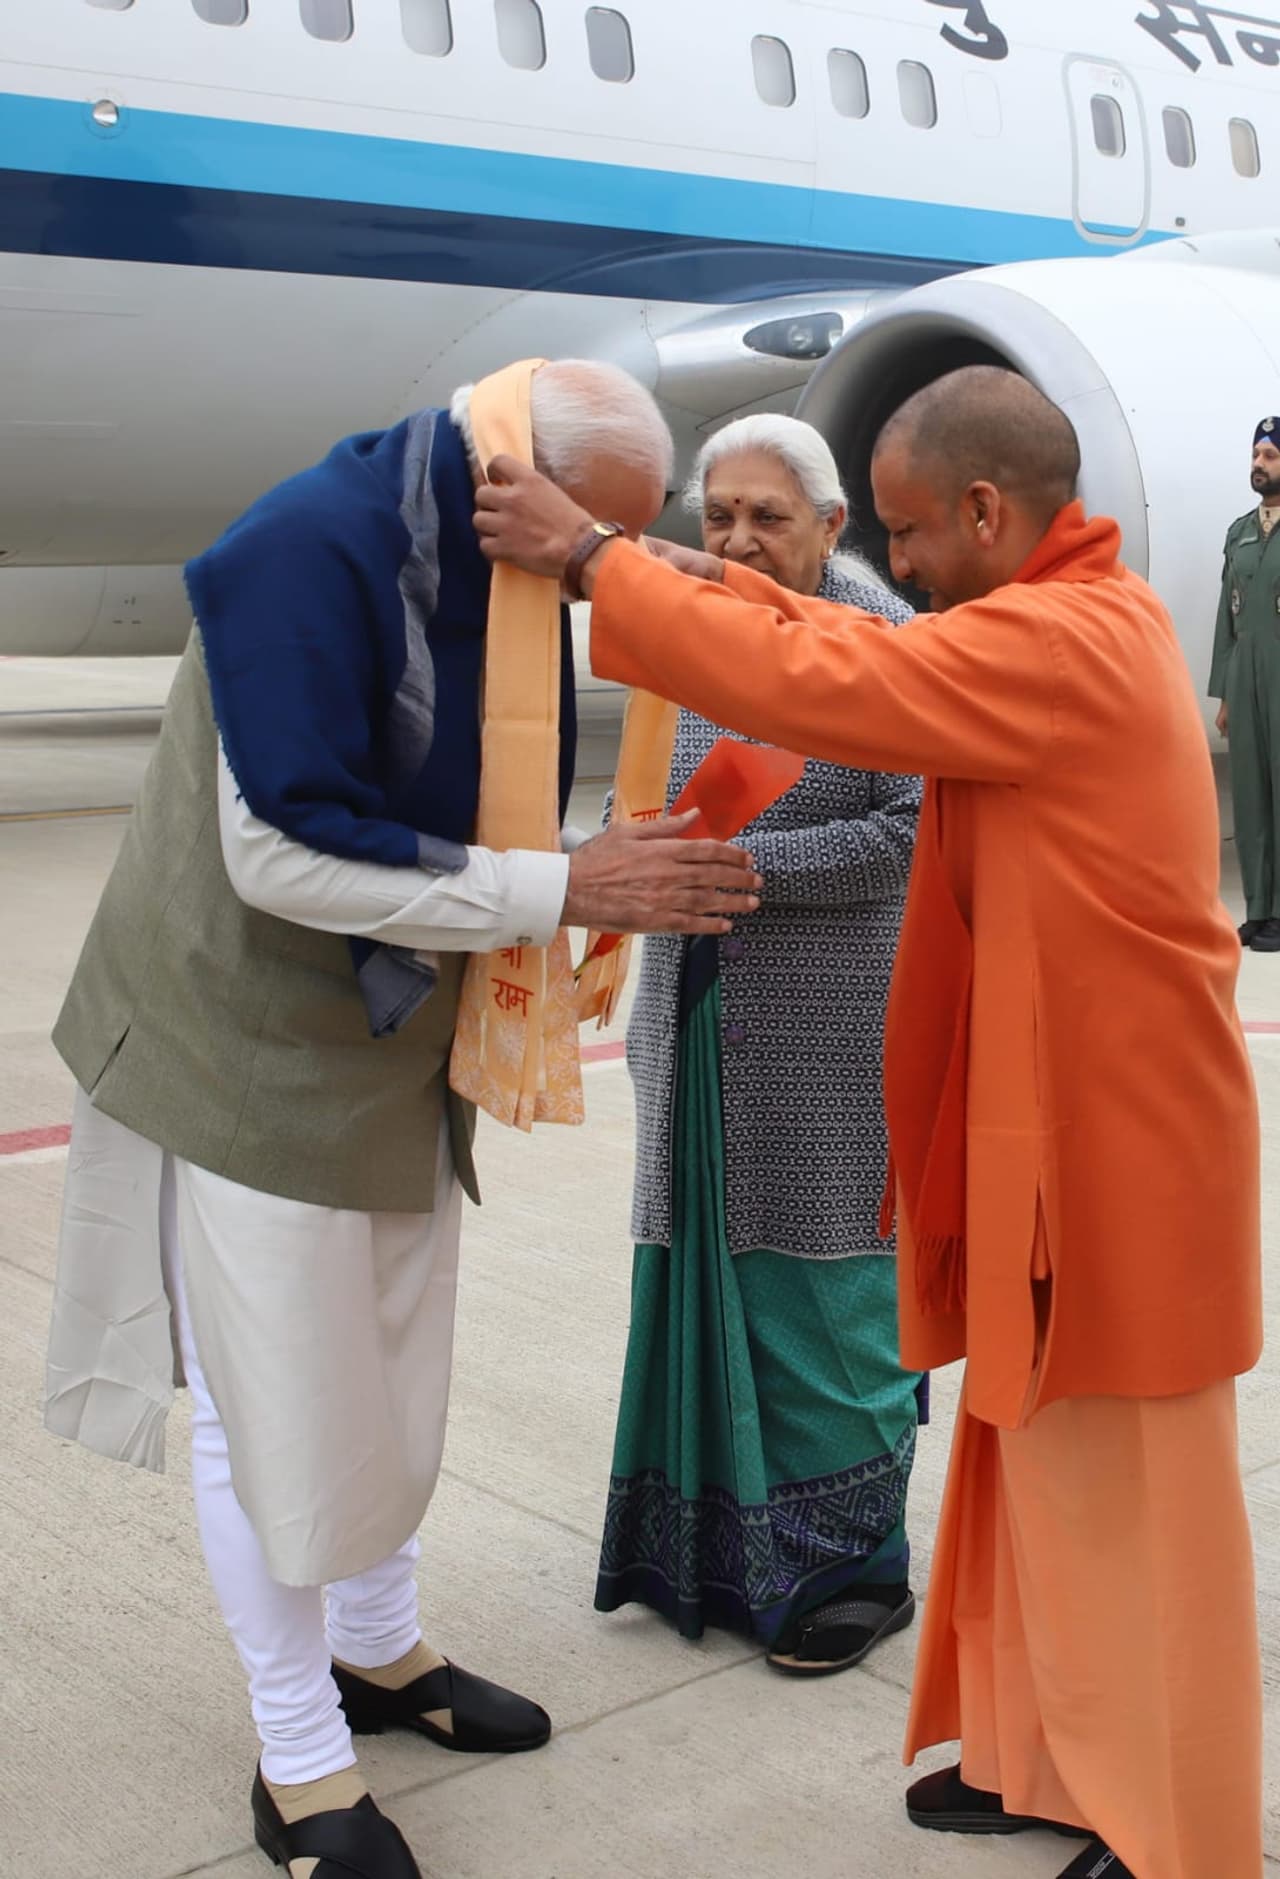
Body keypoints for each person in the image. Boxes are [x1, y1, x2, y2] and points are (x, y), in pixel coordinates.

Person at [472, 365, 1264, 1879]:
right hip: (1052, 1129)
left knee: (1137, 1507)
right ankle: (1049, 1761)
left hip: (1121, 1147)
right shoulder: (1058, 618)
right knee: (1035, 1476)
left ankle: (1174, 1830)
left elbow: (843, 680)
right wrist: (683, 571)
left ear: (986, 510)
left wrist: (594, 560)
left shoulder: (1060, 640)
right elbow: (848, 640)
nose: (892, 564)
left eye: (904, 532)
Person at [43, 360, 761, 1879]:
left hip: (392, 1023)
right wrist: (566, 883)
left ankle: (377, 1645)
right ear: (516, 482)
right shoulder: (307, 552)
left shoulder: (467, 529)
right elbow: (278, 859)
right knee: (269, 1405)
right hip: (249, 1045)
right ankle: (297, 1756)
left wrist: (639, 572)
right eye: (582, 542)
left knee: (386, 1369)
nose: (586, 577)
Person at [596, 415, 924, 1672]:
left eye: (766, 516)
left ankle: (856, 1567)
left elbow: (912, 834)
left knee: (830, 1290)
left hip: (830, 1029)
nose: (735, 538)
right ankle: (719, 1551)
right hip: (691, 1008)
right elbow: (642, 789)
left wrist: (740, 869)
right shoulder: (690, 630)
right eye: (717, 514)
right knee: (704, 1260)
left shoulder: (879, 640)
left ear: (831, 524)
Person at [1209, 414, 1280, 952]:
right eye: (1256, 455)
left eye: (1270, 456)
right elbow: (1225, 617)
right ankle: (1259, 909)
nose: (1259, 464)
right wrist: (1225, 693)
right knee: (1252, 793)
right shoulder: (1240, 532)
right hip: (1246, 672)